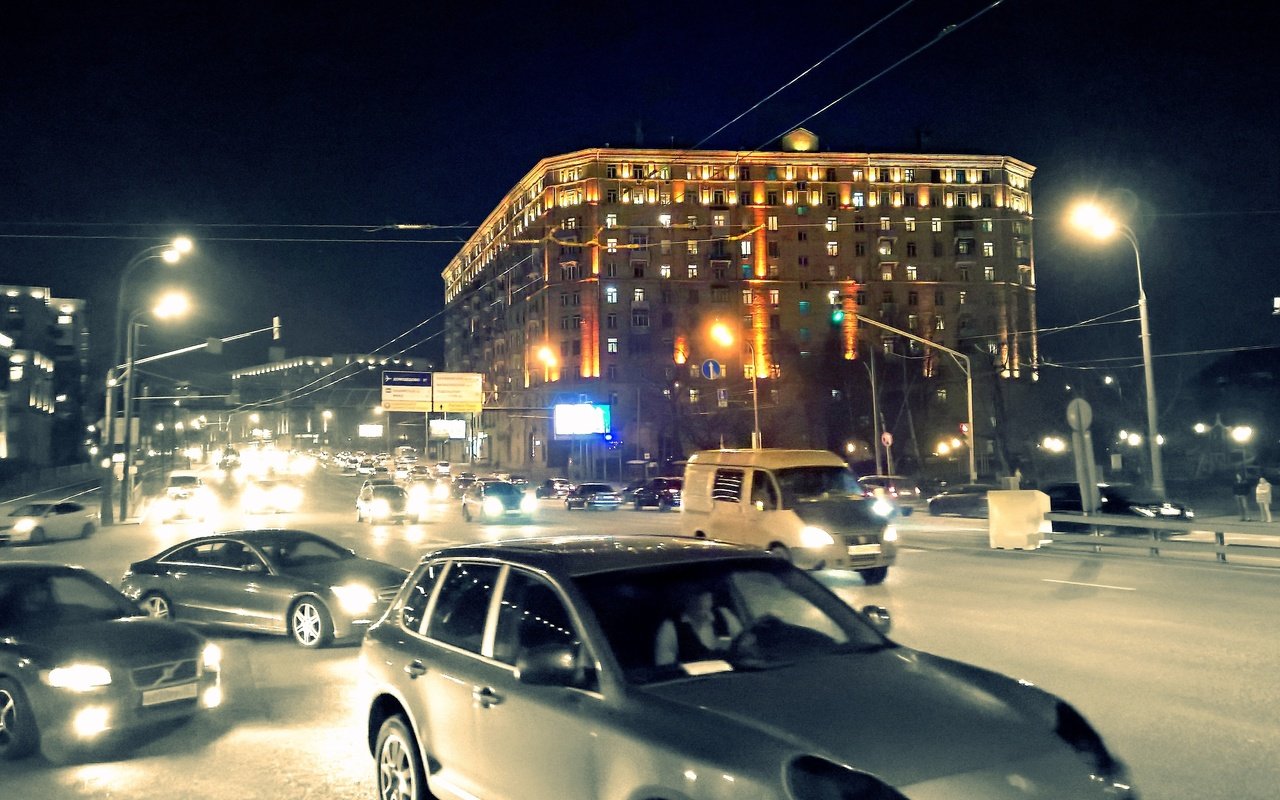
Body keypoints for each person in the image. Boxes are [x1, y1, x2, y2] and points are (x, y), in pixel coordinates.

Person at [654, 588, 742, 666]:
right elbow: (665, 668)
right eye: (695, 595)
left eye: (705, 594)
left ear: (711, 596)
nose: (701, 600)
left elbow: (744, 646)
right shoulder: (671, 627)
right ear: (685, 597)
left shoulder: (724, 615)